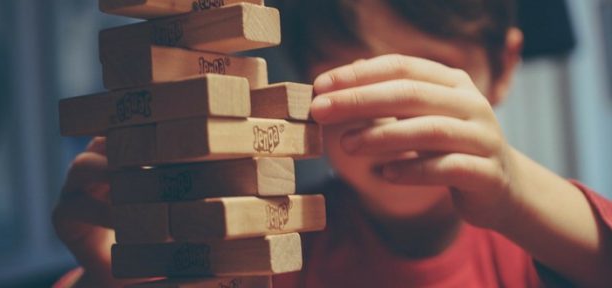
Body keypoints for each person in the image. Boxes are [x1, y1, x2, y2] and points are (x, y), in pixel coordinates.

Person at [52, 0, 612, 287]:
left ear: (504, 67)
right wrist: (126, 273)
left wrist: (513, 189)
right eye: (355, 75)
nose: (394, 116)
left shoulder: (543, 243)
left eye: (431, 76)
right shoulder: (271, 248)